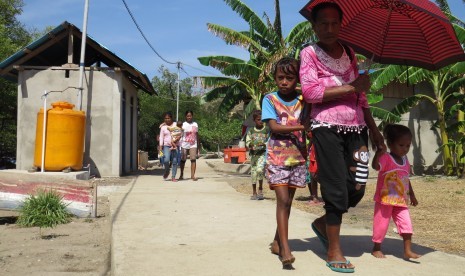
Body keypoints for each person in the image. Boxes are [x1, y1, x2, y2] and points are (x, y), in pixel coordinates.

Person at [299, 2, 385, 273]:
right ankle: (334, 249)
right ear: (314, 26)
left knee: (358, 186)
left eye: (334, 23)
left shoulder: (349, 52)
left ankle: (324, 223)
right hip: (326, 127)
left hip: (357, 126)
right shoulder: (309, 53)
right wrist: (350, 86)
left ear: (341, 25)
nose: (329, 28)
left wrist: (375, 131)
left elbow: (361, 97)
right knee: (336, 186)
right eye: (323, 23)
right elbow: (311, 93)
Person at [262, 57, 308, 270]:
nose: (284, 82)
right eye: (280, 78)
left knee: (288, 202)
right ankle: (285, 251)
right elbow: (274, 127)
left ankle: (276, 242)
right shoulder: (269, 99)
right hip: (277, 157)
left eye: (290, 78)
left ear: (296, 79)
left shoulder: (303, 99)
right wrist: (301, 128)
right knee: (282, 200)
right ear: (275, 78)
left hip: (297, 157)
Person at [371, 124, 421, 260]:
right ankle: (376, 247)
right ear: (390, 144)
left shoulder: (405, 161)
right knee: (381, 224)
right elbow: (375, 166)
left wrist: (412, 194)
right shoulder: (386, 158)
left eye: (408, 146)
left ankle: (408, 250)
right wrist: (378, 153)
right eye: (401, 145)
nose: (405, 149)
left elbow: (406, 178)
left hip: (401, 201)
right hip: (384, 200)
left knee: (407, 225)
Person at [245, 110, 269, 200]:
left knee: (259, 170)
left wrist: (264, 145)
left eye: (262, 120)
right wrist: (250, 145)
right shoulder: (251, 130)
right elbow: (247, 140)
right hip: (253, 155)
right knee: (254, 173)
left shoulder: (266, 130)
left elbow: (269, 140)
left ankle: (260, 189)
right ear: (254, 120)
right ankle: (254, 192)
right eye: (258, 120)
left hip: (262, 154)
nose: (260, 121)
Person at [159, 112, 180, 182]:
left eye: (168, 118)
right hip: (166, 146)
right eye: (165, 118)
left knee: (174, 161)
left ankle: (173, 177)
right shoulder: (163, 127)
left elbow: (180, 132)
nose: (167, 119)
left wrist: (178, 138)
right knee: (166, 160)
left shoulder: (175, 124)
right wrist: (160, 146)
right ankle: (167, 171)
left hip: (175, 145)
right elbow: (161, 137)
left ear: (171, 118)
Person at [179, 111, 200, 181]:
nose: (189, 117)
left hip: (193, 144)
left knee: (193, 159)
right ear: (185, 116)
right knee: (183, 160)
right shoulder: (183, 124)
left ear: (192, 116)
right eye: (188, 116)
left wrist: (198, 146)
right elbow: (180, 135)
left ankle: (192, 175)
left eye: (190, 115)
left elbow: (197, 135)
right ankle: (181, 175)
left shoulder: (195, 124)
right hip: (184, 144)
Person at [306, 131, 323, 206]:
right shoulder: (313, 129)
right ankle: (315, 198)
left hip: (321, 154)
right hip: (313, 154)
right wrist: (307, 149)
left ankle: (327, 197)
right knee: (312, 176)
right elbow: (311, 139)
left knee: (319, 176)